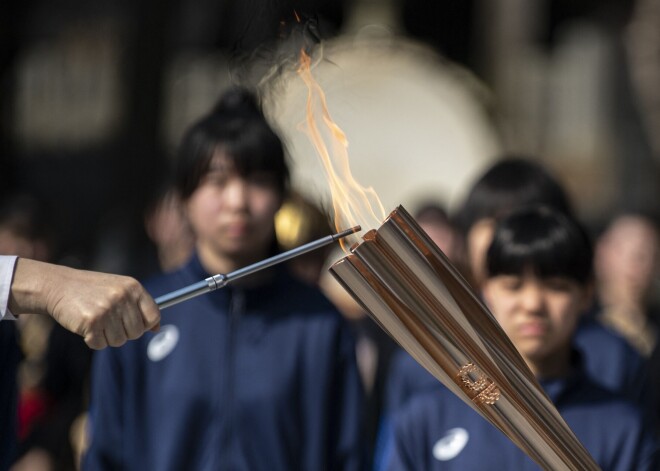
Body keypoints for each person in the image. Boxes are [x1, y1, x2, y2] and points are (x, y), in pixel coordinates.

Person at [84, 87, 365, 470]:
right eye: (217, 181)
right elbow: (105, 452)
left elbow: (348, 456)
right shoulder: (141, 312)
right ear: (184, 195)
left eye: (258, 181)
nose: (238, 201)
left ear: (282, 195)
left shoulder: (318, 322)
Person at [380, 207, 659, 470]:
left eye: (556, 287)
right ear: (485, 291)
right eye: (513, 286)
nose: (532, 303)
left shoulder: (623, 428)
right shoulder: (429, 417)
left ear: (586, 294)